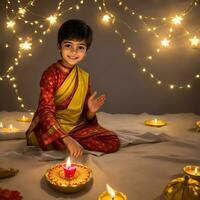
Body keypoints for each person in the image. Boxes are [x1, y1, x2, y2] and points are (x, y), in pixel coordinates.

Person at [26, 19, 120, 158]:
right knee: (44, 136)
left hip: (76, 127)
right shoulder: (51, 74)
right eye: (68, 45)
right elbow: (45, 110)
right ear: (59, 47)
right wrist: (66, 138)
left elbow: (86, 117)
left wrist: (91, 112)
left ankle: (63, 143)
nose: (74, 51)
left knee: (112, 141)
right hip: (52, 126)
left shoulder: (84, 76)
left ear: (86, 51)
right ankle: (61, 141)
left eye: (80, 47)